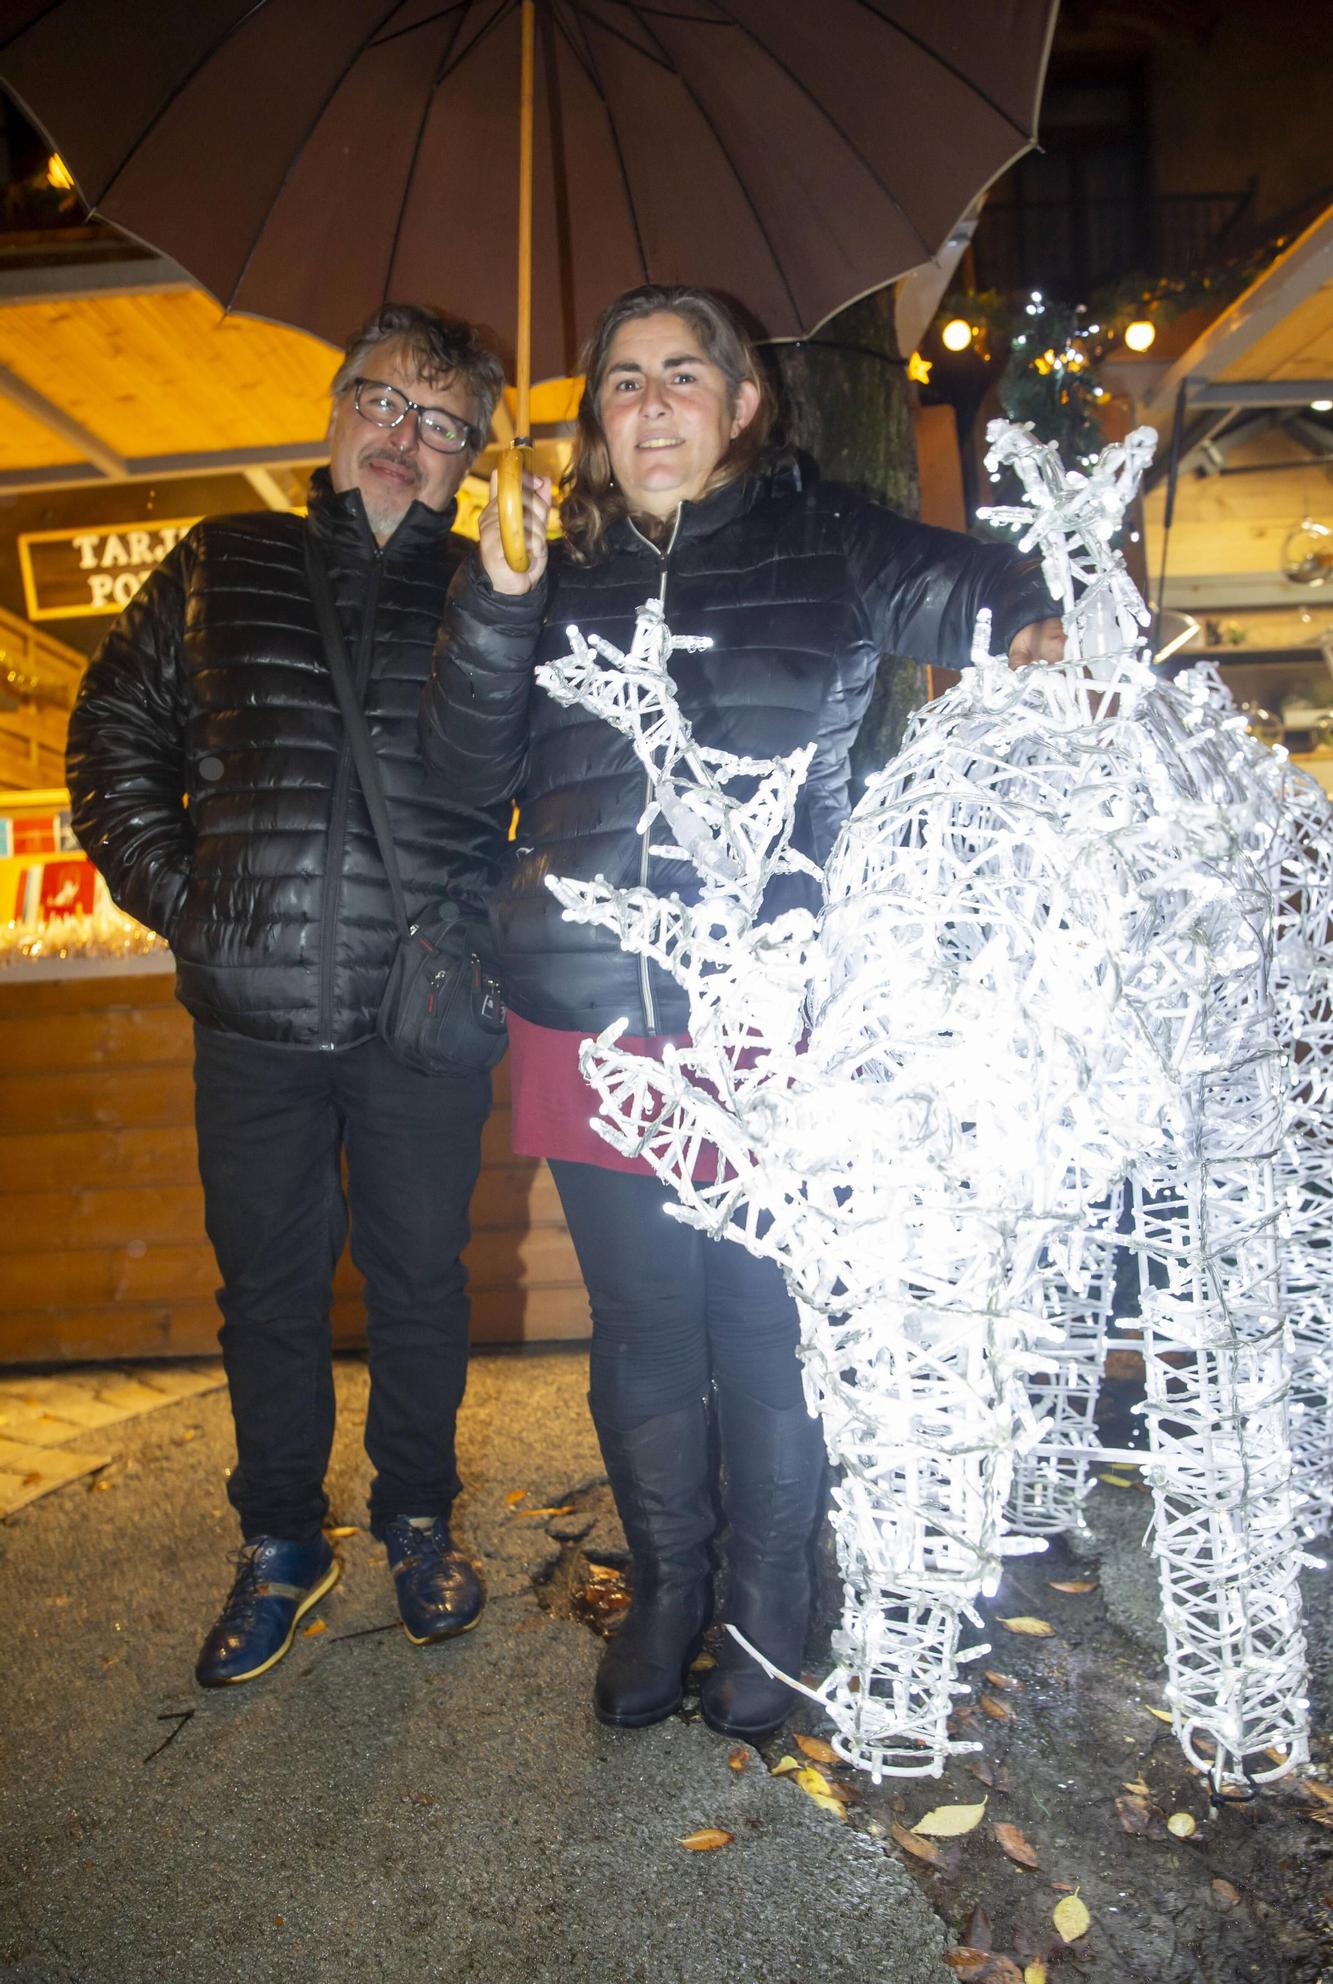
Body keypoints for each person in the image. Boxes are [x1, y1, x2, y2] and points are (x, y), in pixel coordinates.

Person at [421, 284, 1065, 1740]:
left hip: (769, 1018)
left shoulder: (825, 538)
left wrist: (1035, 639)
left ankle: (772, 1608)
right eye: (621, 381)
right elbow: (460, 777)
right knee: (644, 1325)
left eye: (677, 376)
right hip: (586, 1005)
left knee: (763, 1326)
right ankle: (667, 1591)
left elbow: (998, 591)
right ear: (593, 417)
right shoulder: (548, 562)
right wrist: (497, 605)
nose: (646, 405)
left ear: (741, 400)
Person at [66, 303, 511, 1687]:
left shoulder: (501, 588)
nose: (405, 438)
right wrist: (188, 902)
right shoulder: (222, 560)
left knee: (421, 1286)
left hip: (418, 1017)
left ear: (470, 460)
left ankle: (417, 1516)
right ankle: (279, 1542)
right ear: (333, 414)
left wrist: (484, 932)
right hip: (251, 1011)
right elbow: (113, 738)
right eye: (384, 403)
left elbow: (559, 792)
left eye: (441, 425)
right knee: (264, 1291)